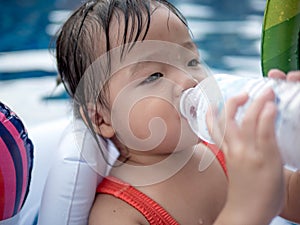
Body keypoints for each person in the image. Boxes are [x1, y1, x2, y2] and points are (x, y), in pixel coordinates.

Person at [55, 0, 300, 224]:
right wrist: (245, 210)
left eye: (191, 61)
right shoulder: (117, 213)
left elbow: (292, 200)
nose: (189, 80)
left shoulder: (221, 150)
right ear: (102, 118)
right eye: (154, 76)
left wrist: (290, 122)